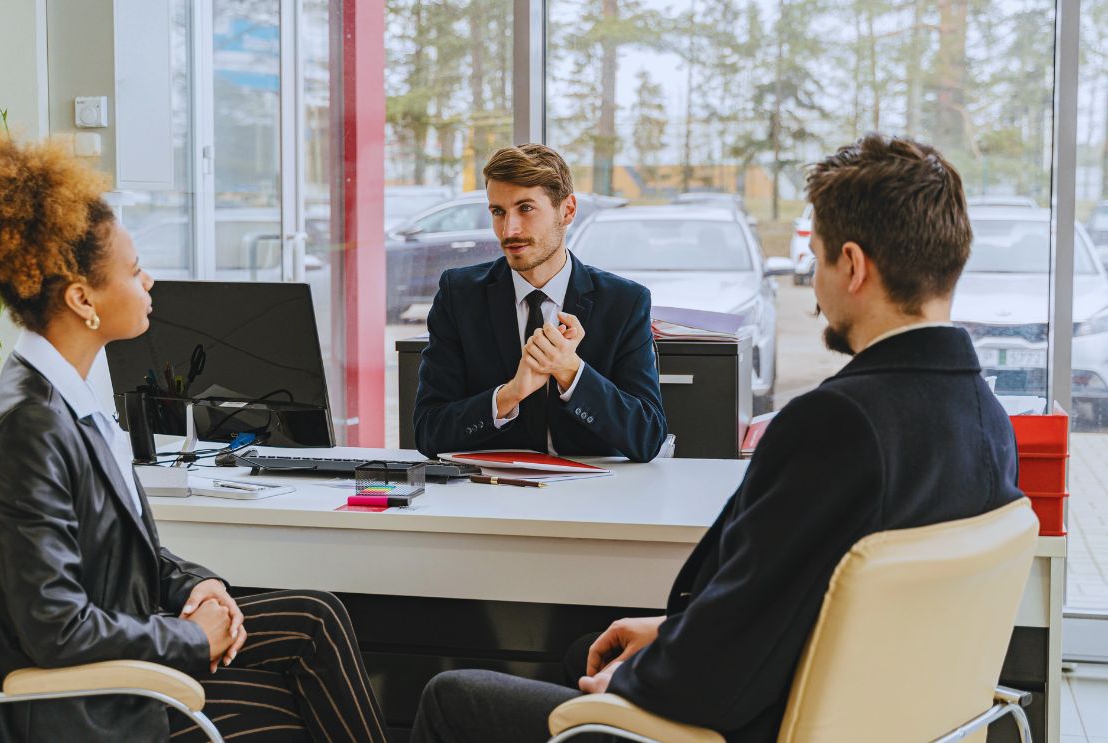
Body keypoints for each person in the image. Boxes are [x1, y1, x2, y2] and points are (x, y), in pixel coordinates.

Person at [408, 134, 1026, 743]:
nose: (811, 283)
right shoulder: (987, 420)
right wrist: (672, 632)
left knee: (449, 697)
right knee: (582, 651)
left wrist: (633, 685)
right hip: (883, 717)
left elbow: (730, 661)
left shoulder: (832, 424)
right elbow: (805, 609)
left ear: (854, 267)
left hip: (731, 723)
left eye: (819, 258)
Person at [0, 135, 388, 743]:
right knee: (294, 702)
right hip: (86, 709)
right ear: (82, 298)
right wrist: (193, 637)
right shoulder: (27, 430)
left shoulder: (64, 394)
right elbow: (57, 630)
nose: (150, 281)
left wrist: (200, 586)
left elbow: (122, 552)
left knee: (314, 616)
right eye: (134, 269)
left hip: (120, 666)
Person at [412, 144, 667, 463]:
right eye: (498, 212)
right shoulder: (459, 296)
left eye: (526, 208)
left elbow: (648, 438)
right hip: (488, 496)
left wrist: (571, 372)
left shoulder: (624, 302)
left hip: (596, 498)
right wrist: (510, 395)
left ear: (568, 211)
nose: (509, 230)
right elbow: (427, 431)